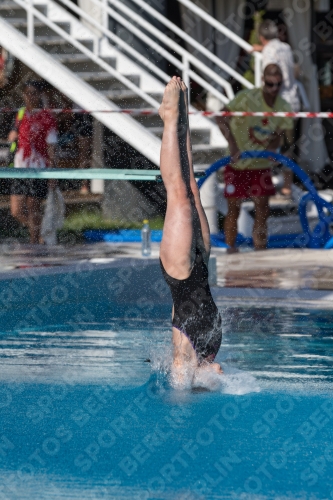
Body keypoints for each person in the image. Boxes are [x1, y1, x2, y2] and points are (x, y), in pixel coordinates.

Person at [159, 76, 223, 387]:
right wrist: (212, 373)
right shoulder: (208, 352)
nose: (221, 371)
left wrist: (198, 377)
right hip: (202, 265)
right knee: (193, 190)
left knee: (179, 194)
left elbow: (179, 388)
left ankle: (170, 119)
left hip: (182, 271)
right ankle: (182, 115)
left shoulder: (184, 363)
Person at [216, 64, 294, 252]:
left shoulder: (284, 106)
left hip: (260, 165)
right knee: (233, 209)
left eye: (278, 85)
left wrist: (276, 145)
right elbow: (221, 117)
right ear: (263, 81)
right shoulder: (247, 98)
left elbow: (285, 138)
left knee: (262, 210)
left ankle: (260, 250)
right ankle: (230, 248)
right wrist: (233, 145)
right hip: (238, 165)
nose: (274, 89)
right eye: (270, 84)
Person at [252, 19, 300, 196]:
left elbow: (271, 79)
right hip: (292, 102)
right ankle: (287, 186)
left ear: (261, 37)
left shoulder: (269, 52)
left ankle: (266, 185)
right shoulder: (285, 47)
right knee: (287, 146)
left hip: (277, 104)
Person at [8, 80, 58, 244]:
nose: (30, 96)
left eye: (34, 93)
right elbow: (15, 132)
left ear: (39, 95)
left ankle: (34, 242)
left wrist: (52, 174)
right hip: (20, 166)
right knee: (16, 210)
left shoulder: (47, 117)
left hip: (39, 167)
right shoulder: (21, 113)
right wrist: (12, 136)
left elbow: (51, 148)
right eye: (27, 93)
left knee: (33, 207)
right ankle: (40, 231)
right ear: (23, 95)